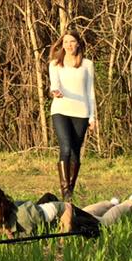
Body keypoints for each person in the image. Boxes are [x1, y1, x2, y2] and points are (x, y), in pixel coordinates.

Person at [0, 183, 132, 239]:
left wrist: (64, 235)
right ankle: (110, 203)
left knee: (103, 223)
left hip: (64, 215)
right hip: (59, 215)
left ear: (3, 207)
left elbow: (63, 207)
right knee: (88, 212)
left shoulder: (25, 216)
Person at [48, 30, 97, 201]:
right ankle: (65, 191)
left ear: (78, 44)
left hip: (81, 112)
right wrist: (55, 91)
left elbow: (90, 91)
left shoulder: (87, 64)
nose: (69, 45)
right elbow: (54, 84)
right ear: (62, 45)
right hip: (60, 109)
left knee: (75, 152)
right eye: (66, 42)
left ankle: (70, 191)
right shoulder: (55, 64)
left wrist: (92, 117)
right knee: (66, 148)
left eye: (72, 41)